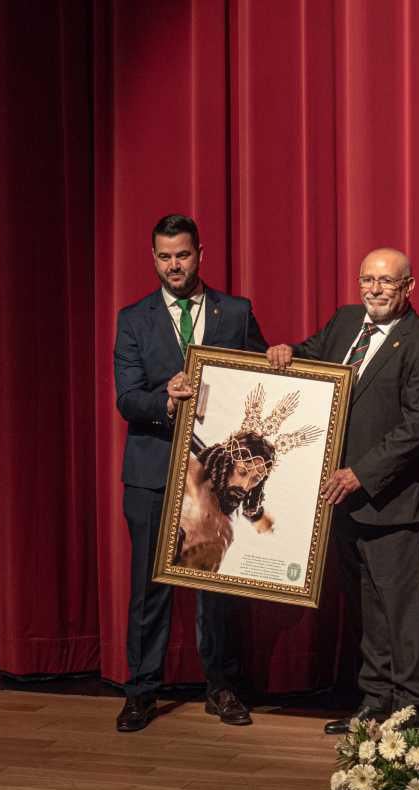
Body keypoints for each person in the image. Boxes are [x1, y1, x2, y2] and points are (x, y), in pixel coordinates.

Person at [266, 247, 419, 734]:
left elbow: (415, 429)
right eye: (367, 279)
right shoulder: (346, 321)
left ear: (409, 288)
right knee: (367, 609)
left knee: (401, 613)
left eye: (386, 282)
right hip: (342, 501)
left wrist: (360, 475)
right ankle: (375, 702)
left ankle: (412, 710)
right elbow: (307, 358)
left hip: (393, 502)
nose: (374, 289)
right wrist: (284, 351)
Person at [113, 214, 267, 732]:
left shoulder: (236, 312)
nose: (173, 265)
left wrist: (280, 357)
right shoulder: (133, 319)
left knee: (214, 589)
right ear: (152, 258)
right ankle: (141, 692)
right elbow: (127, 397)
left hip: (212, 480)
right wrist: (165, 400)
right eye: (164, 256)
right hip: (152, 474)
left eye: (182, 254)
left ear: (200, 253)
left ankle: (220, 688)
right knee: (148, 589)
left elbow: (260, 382)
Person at [174, 385, 322, 572]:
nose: (245, 487)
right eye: (242, 472)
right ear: (227, 462)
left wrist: (257, 516)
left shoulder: (226, 529)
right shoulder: (190, 477)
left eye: (255, 480)